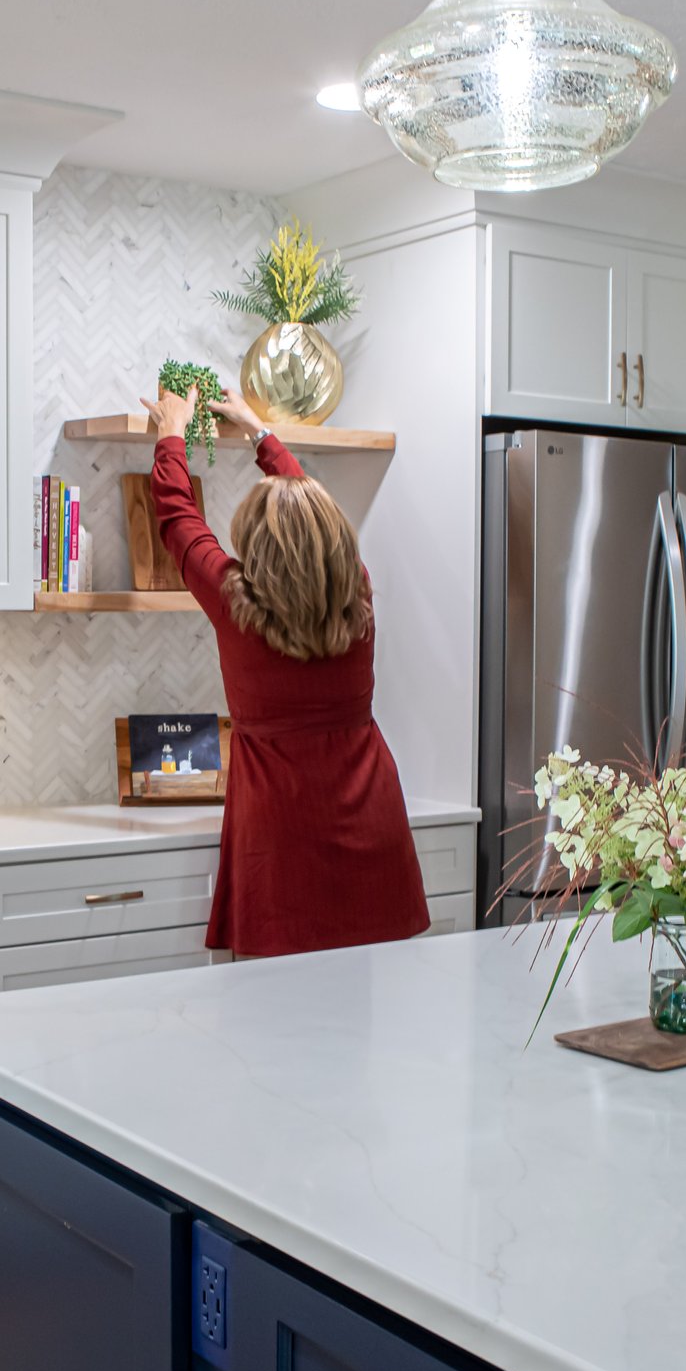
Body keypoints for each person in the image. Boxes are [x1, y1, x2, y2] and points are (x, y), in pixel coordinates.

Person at [138, 382, 429, 958]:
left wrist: (172, 435)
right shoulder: (358, 593)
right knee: (365, 1026)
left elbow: (176, 517)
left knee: (269, 1021)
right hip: (371, 817)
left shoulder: (233, 601)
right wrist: (259, 432)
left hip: (279, 830)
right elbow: (309, 514)